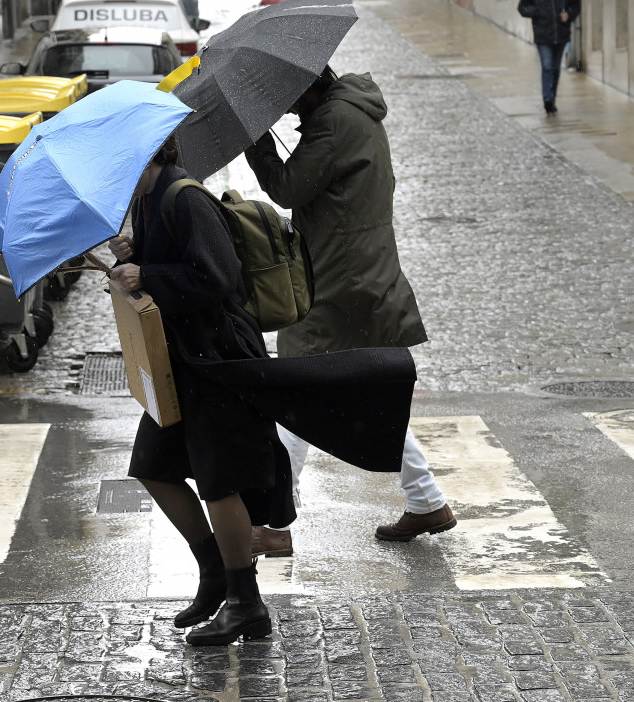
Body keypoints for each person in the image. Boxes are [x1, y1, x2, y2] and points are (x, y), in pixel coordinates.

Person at [243, 67, 455, 555]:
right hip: (356, 271)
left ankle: (273, 522)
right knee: (365, 394)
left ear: (308, 86)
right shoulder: (351, 112)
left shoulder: (335, 120)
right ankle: (426, 500)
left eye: (288, 97)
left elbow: (287, 189)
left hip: (340, 279)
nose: (287, 108)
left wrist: (257, 142)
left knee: (296, 386)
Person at [107, 135, 294, 647]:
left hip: (217, 358)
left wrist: (147, 273)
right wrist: (133, 253)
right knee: (154, 466)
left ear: (149, 153)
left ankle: (246, 604)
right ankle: (215, 573)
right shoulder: (147, 199)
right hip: (179, 362)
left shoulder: (186, 197)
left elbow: (217, 277)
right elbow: (175, 261)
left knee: (219, 481)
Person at [517, 0, 580, 114]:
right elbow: (522, 8)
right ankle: (548, 99)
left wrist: (569, 14)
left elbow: (575, 4)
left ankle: (552, 98)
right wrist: (537, 11)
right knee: (547, 66)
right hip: (542, 35)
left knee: (555, 68)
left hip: (560, 34)